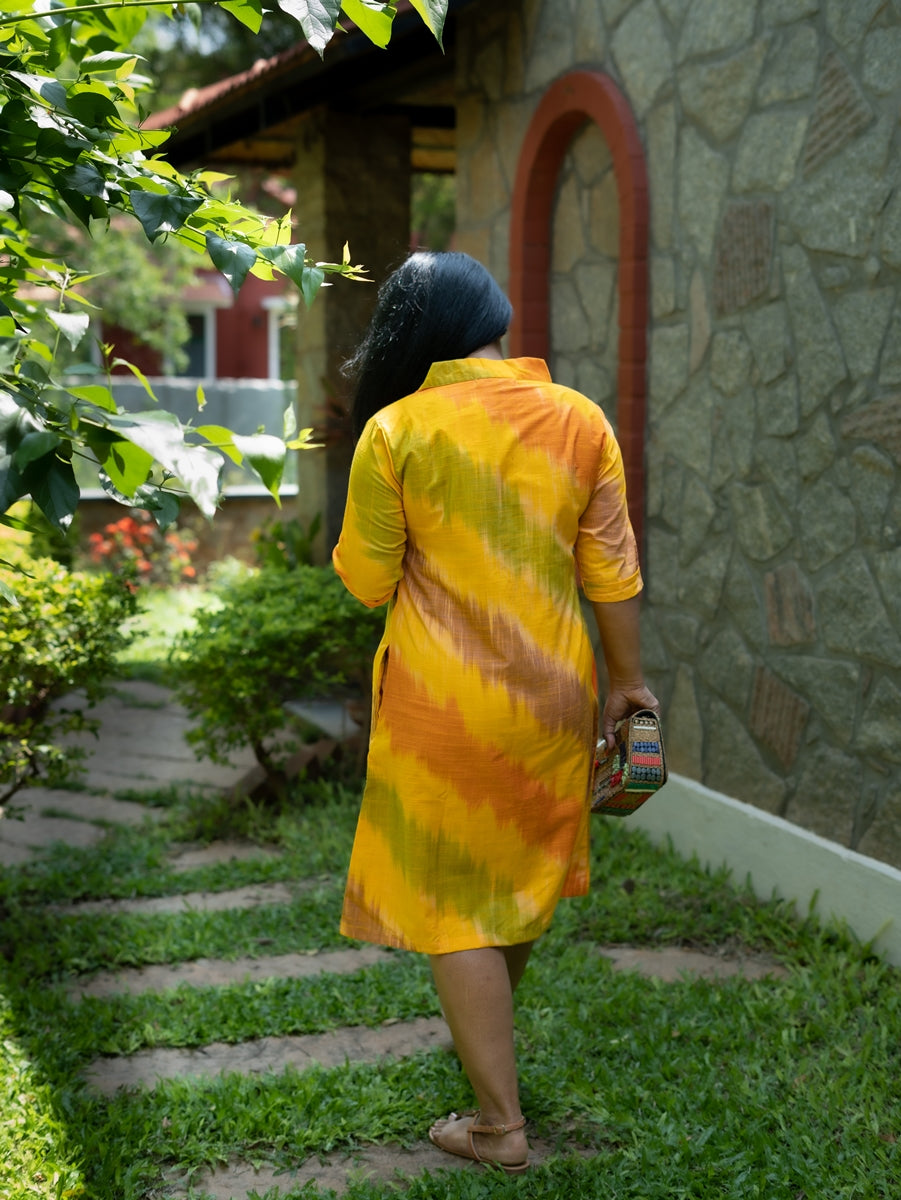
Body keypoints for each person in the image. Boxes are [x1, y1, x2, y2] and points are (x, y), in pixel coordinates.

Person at [332, 250, 658, 1174]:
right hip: (556, 695)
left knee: (453, 909)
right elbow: (612, 571)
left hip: (443, 704)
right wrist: (628, 682)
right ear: (497, 322)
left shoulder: (396, 431)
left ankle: (498, 1129)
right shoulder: (579, 420)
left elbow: (363, 581)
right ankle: (488, 1066)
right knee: (512, 881)